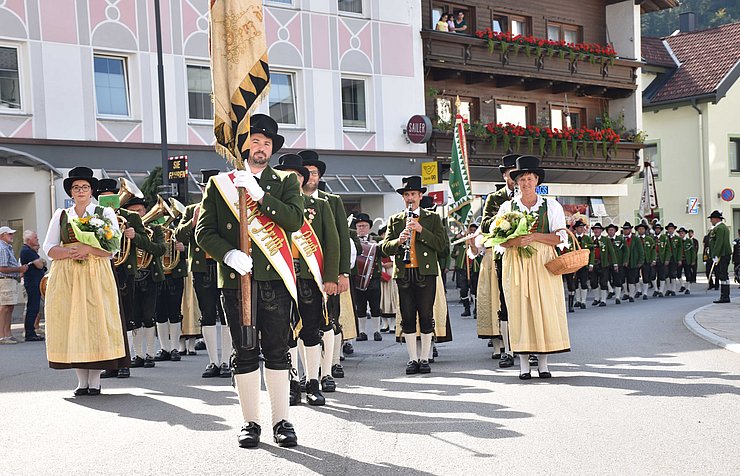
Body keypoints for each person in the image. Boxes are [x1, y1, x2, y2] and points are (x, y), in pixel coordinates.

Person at [196, 114, 304, 448]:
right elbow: (204, 232)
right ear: (244, 146)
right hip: (235, 279)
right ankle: (250, 423)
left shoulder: (285, 182)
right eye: (255, 141)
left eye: (267, 143)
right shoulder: (220, 184)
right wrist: (227, 254)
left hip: (273, 278)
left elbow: (294, 220)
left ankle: (281, 420)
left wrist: (260, 196)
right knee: (244, 351)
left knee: (276, 349)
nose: (261, 148)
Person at [41, 166, 127, 395]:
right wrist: (69, 252)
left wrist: (88, 247)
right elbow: (48, 247)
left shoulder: (104, 213)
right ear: (71, 192)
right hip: (68, 274)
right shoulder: (61, 215)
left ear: (91, 191)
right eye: (76, 187)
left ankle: (96, 380)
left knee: (96, 322)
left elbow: (113, 249)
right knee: (73, 323)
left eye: (85, 187)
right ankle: (81, 381)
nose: (81, 191)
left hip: (95, 273)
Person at [496, 156, 570, 379]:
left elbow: (560, 237)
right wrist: (515, 241)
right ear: (515, 182)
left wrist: (535, 236)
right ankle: (524, 365)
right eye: (521, 179)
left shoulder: (551, 205)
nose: (526, 183)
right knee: (519, 309)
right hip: (516, 262)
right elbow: (498, 240)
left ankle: (544, 363)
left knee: (544, 307)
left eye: (529, 178)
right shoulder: (507, 207)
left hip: (543, 263)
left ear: (537, 180)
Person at [274, 153, 339, 406]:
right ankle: (293, 382)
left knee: (312, 331)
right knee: (285, 333)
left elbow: (332, 243)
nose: (293, 179)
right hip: (281, 277)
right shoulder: (272, 207)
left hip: (309, 277)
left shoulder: (318, 206)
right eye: (287, 175)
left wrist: (331, 277)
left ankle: (313, 381)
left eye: (298, 175)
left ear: (303, 179)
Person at [380, 176, 447, 375]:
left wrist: (421, 230)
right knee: (408, 316)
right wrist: (398, 241)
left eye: (413, 194)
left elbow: (442, 246)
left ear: (420, 196)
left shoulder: (432, 218)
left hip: (425, 273)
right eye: (407, 195)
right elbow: (384, 248)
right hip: (404, 272)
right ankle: (412, 358)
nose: (410, 198)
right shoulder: (396, 219)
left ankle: (425, 358)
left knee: (426, 315)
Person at [298, 150, 352, 382]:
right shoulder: (290, 201)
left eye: (314, 173)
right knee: (300, 325)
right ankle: (306, 372)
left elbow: (340, 239)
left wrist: (342, 273)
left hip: (325, 274)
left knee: (328, 321)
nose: (310, 177)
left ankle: (328, 371)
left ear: (320, 176)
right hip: (298, 274)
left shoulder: (332, 201)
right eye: (306, 173)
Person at [175, 170, 232, 379]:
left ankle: (227, 360)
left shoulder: (227, 208)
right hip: (202, 268)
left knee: (226, 313)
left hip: (224, 266)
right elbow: (178, 235)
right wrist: (192, 222)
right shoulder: (192, 209)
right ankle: (213, 362)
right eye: (205, 186)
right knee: (207, 314)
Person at [95, 178, 147, 379]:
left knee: (126, 317)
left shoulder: (130, 217)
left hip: (124, 270)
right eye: (104, 198)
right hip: (101, 269)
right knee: (106, 318)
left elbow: (148, 244)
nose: (108, 201)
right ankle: (110, 363)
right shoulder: (93, 217)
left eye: (112, 198)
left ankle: (126, 361)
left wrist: (134, 236)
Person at [479, 154, 519, 367]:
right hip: (502, 254)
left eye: (517, 173)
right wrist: (503, 220)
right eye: (510, 173)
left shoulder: (529, 196)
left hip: (525, 255)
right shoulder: (495, 198)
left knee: (524, 301)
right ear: (504, 175)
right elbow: (484, 225)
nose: (514, 177)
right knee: (504, 302)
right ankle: (508, 350)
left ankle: (527, 346)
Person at [125, 197, 166, 369]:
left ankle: (150, 353)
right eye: (132, 212)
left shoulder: (155, 229)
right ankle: (138, 354)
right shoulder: (124, 229)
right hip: (133, 276)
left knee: (149, 317)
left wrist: (138, 238)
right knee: (135, 317)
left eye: (139, 211)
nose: (137, 214)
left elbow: (160, 249)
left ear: (145, 211)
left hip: (150, 276)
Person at [154, 209, 188, 364]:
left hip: (175, 275)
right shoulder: (156, 232)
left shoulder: (179, 232)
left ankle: (174, 347)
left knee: (175, 312)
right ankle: (164, 347)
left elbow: (194, 246)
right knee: (159, 312)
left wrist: (183, 249)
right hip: (159, 275)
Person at [352, 213, 383, 342]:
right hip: (358, 278)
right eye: (359, 226)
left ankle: (377, 331)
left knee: (375, 305)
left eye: (364, 226)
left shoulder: (376, 239)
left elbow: (384, 251)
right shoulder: (353, 240)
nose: (361, 228)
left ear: (369, 227)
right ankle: (362, 332)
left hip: (374, 277)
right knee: (360, 305)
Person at [0, 226, 28, 344]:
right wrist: (19, 269)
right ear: (2, 236)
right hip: (5, 279)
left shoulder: (8, 248)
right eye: (9, 234)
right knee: (4, 308)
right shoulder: (2, 248)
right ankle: (3, 335)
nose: (12, 236)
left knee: (9, 307)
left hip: (10, 279)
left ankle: (8, 333)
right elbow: (2, 267)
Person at [20, 230, 46, 341]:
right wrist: (41, 262)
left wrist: (41, 262)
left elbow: (41, 263)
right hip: (32, 282)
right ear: (29, 240)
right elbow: (40, 264)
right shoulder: (27, 251)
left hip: (36, 282)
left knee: (35, 307)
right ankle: (29, 333)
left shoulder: (31, 251)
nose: (37, 240)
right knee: (32, 307)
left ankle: (32, 331)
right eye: (35, 238)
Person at [708, 210, 732, 303]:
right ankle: (724, 295)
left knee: (723, 275)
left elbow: (719, 243)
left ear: (716, 219)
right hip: (722, 254)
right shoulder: (720, 228)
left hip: (722, 254)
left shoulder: (720, 228)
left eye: (712, 219)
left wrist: (715, 255)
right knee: (723, 275)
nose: (711, 221)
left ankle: (725, 296)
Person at [590, 223, 616, 307]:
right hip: (593, 264)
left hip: (603, 264)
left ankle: (603, 300)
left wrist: (615, 263)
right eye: (595, 229)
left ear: (601, 230)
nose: (596, 230)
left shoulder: (606, 240)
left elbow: (612, 252)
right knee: (593, 282)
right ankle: (596, 298)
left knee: (603, 282)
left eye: (598, 229)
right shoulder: (590, 240)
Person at [571, 221, 592, 310]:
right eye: (579, 227)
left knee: (583, 282)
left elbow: (592, 251)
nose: (581, 229)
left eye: (582, 227)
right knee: (575, 283)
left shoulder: (587, 238)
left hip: (584, 264)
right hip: (574, 264)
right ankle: (578, 300)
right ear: (575, 229)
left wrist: (591, 264)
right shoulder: (571, 238)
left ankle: (583, 301)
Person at [621, 222, 644, 302]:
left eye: (627, 229)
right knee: (622, 278)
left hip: (633, 261)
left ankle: (631, 295)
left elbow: (641, 251)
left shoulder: (636, 239)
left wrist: (640, 261)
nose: (625, 230)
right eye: (624, 229)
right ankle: (626, 292)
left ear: (630, 229)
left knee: (631, 279)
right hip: (622, 262)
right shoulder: (621, 238)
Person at [636, 222, 656, 300]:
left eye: (642, 229)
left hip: (646, 260)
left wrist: (653, 259)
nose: (641, 230)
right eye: (639, 229)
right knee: (635, 276)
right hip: (637, 260)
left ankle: (645, 293)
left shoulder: (649, 239)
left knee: (646, 277)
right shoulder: (635, 239)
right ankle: (638, 290)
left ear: (645, 230)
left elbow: (653, 250)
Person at [677, 227, 696, 294]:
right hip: (679, 260)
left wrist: (693, 260)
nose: (681, 234)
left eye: (682, 233)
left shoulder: (689, 241)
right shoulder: (677, 241)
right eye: (680, 233)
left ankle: (688, 288)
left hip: (687, 260)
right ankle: (682, 285)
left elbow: (693, 251)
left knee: (688, 274)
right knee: (678, 274)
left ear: (685, 233)